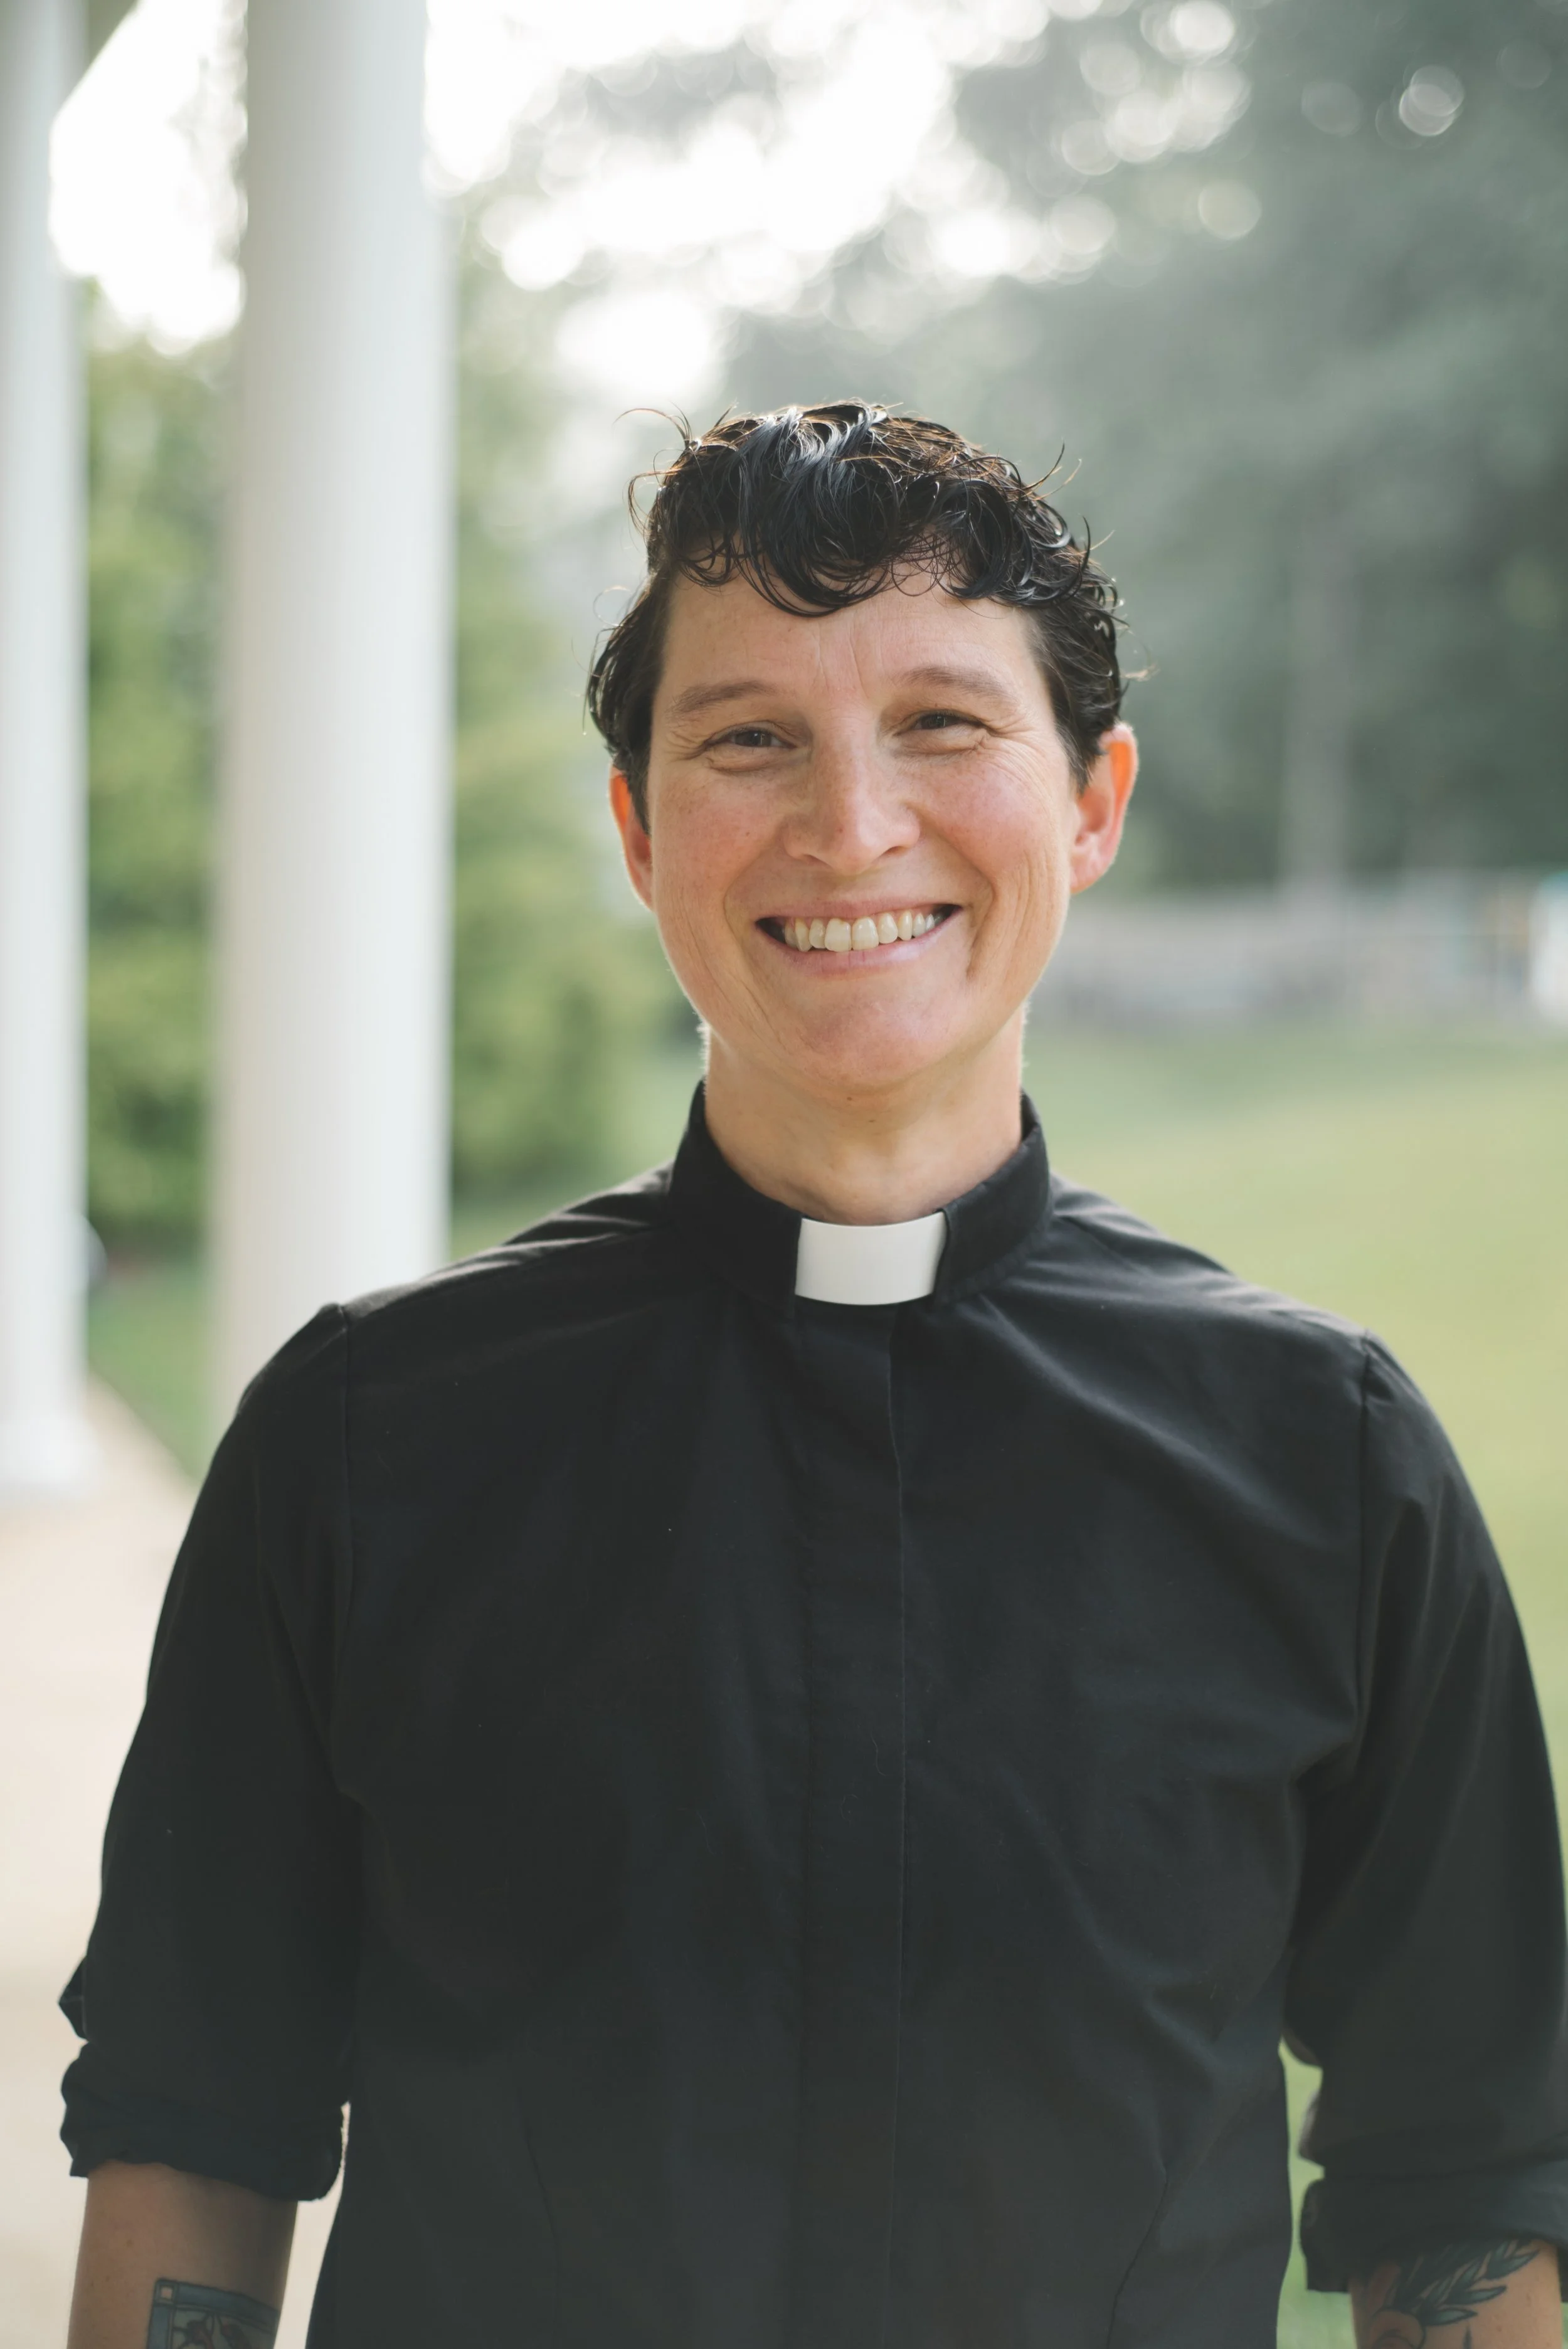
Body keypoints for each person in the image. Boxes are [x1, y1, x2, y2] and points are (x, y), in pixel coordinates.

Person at [62, 403, 1568, 2349]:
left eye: (942, 724)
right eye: (747, 738)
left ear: (1094, 801)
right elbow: (196, 2116)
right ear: (635, 827)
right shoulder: (362, 1442)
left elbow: (1464, 2176)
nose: (850, 826)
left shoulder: (1324, 1458)